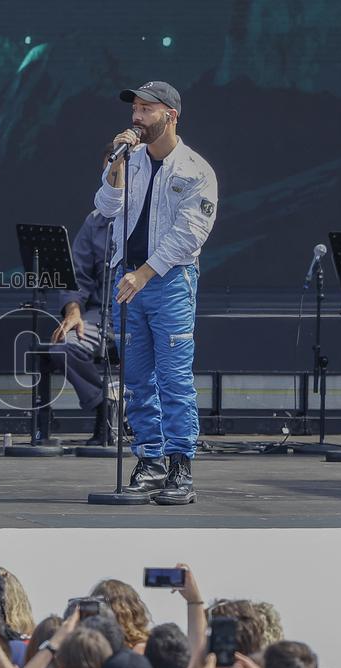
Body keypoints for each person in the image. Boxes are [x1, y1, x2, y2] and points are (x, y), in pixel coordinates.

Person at [95, 81, 218, 504]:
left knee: (174, 378)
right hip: (127, 279)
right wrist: (115, 164)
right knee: (136, 379)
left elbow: (190, 235)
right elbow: (106, 208)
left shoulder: (195, 170)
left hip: (167, 283)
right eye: (135, 108)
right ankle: (150, 459)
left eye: (147, 109)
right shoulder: (130, 160)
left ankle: (180, 464)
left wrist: (145, 274)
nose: (136, 117)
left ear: (171, 115)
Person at [49, 143, 117, 445]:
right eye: (108, 169)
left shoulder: (153, 218)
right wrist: (73, 311)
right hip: (100, 315)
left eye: (117, 168)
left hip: (143, 314)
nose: (112, 174)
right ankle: (105, 408)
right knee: (64, 346)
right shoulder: (95, 221)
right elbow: (77, 276)